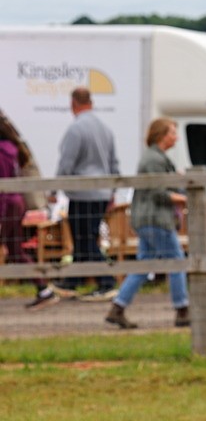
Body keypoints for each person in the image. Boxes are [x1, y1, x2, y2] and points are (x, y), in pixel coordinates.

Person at [105, 118, 189, 329]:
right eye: (172, 133)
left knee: (144, 264)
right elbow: (159, 192)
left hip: (147, 219)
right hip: (156, 219)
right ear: (161, 135)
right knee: (177, 261)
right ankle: (182, 309)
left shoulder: (155, 158)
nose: (176, 137)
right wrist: (186, 198)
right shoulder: (154, 160)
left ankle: (118, 307)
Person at [54, 87, 119, 298]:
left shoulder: (76, 129)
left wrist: (54, 189)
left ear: (73, 103)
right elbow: (113, 163)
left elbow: (66, 163)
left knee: (84, 238)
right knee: (86, 237)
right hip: (102, 192)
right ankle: (73, 280)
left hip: (82, 194)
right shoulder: (106, 129)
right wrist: (113, 192)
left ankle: (107, 281)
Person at [0, 116, 58, 309]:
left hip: (7, 204)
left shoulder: (2, 151)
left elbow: (3, 185)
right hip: (15, 203)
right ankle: (44, 289)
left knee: (15, 249)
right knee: (16, 250)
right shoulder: (12, 148)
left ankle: (44, 289)